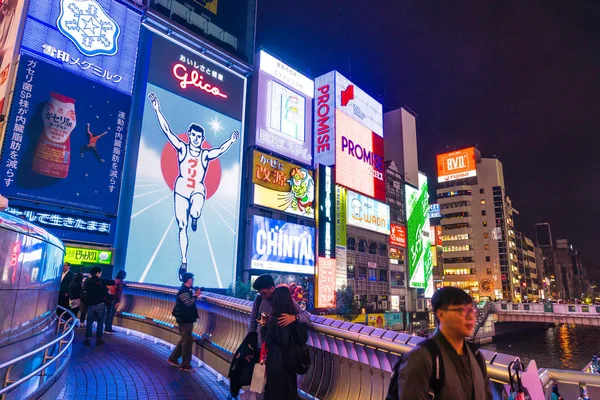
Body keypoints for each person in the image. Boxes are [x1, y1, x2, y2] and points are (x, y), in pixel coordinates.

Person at [147, 92, 239, 281]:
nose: (196, 138)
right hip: (181, 189)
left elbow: (219, 151)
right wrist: (157, 108)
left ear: (202, 138)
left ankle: (195, 216)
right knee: (182, 226)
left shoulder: (204, 155)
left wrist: (231, 140)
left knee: (195, 212)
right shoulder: (182, 148)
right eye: (193, 135)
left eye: (199, 136)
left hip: (197, 188)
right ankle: (184, 261)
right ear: (189, 135)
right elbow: (167, 131)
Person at [395, 287, 492, 400]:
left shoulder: (477, 357)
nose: (470, 317)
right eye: (462, 310)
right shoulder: (422, 358)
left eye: (472, 310)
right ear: (441, 315)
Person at [261, 287, 304, 400]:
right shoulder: (293, 318)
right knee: (289, 391)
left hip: (276, 362)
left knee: (274, 392)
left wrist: (263, 325)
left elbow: (267, 341)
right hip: (291, 362)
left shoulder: (275, 319)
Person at [247, 275, 311, 348]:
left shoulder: (284, 299)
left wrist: (294, 317)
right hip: (262, 344)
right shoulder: (259, 299)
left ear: (272, 288)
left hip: (280, 347)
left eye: (264, 293)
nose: (262, 296)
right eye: (260, 293)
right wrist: (250, 339)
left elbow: (306, 315)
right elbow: (253, 321)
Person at [168, 272, 201, 372]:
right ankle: (185, 365)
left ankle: (173, 359)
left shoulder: (186, 290)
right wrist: (196, 295)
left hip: (185, 319)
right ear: (188, 280)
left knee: (184, 340)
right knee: (187, 342)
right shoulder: (183, 291)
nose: (193, 280)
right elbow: (188, 303)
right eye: (192, 279)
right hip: (185, 319)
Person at [83, 266, 108, 346]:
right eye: (100, 272)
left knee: (89, 322)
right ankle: (99, 339)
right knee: (100, 322)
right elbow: (111, 284)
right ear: (98, 273)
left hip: (90, 304)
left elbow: (85, 291)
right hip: (100, 304)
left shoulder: (88, 281)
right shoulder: (101, 281)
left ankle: (87, 339)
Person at [105, 270, 126, 334]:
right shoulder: (120, 282)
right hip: (115, 299)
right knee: (111, 314)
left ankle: (106, 327)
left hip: (110, 298)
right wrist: (118, 301)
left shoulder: (115, 280)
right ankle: (108, 328)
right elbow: (119, 292)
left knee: (108, 314)